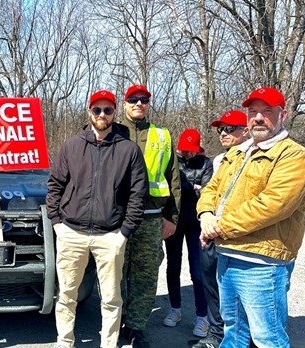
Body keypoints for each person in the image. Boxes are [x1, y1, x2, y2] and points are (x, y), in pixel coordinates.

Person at [197, 87, 305, 348]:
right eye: (253, 112)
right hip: (227, 255)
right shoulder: (238, 152)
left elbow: (272, 205)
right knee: (234, 332)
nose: (258, 117)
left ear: (282, 115)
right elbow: (212, 189)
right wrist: (205, 214)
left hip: (262, 263)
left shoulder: (294, 155)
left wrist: (217, 227)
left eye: (267, 111)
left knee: (267, 339)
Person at [47, 90, 147, 348]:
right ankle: (64, 341)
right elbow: (55, 185)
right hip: (72, 232)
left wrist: (124, 232)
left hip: (110, 235)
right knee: (67, 294)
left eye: (108, 110)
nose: (102, 115)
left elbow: (138, 194)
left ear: (115, 113)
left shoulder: (129, 150)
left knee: (112, 298)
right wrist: (57, 223)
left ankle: (108, 343)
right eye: (97, 110)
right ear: (89, 112)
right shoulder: (71, 146)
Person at [118, 84, 181, 348]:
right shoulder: (111, 131)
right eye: (133, 99)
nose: (138, 104)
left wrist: (172, 218)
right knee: (115, 275)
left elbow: (173, 179)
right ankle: (115, 322)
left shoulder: (162, 136)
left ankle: (135, 328)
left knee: (144, 276)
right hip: (116, 219)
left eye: (143, 100)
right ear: (124, 103)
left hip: (152, 217)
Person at [191, 110, 249, 348]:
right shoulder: (218, 161)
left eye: (230, 128)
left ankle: (244, 338)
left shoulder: (253, 157)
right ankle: (215, 335)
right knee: (211, 284)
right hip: (211, 233)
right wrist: (205, 221)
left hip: (238, 234)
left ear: (245, 130)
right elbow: (210, 194)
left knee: (238, 292)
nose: (224, 133)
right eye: (220, 129)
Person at [162, 129, 212, 338]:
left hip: (196, 223)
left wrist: (193, 188)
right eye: (184, 150)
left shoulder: (206, 163)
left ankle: (202, 316)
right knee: (173, 267)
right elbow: (168, 185)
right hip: (174, 221)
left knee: (198, 271)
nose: (187, 154)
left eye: (191, 151)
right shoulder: (174, 160)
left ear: (198, 148)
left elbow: (208, 190)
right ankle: (175, 308)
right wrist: (192, 186)